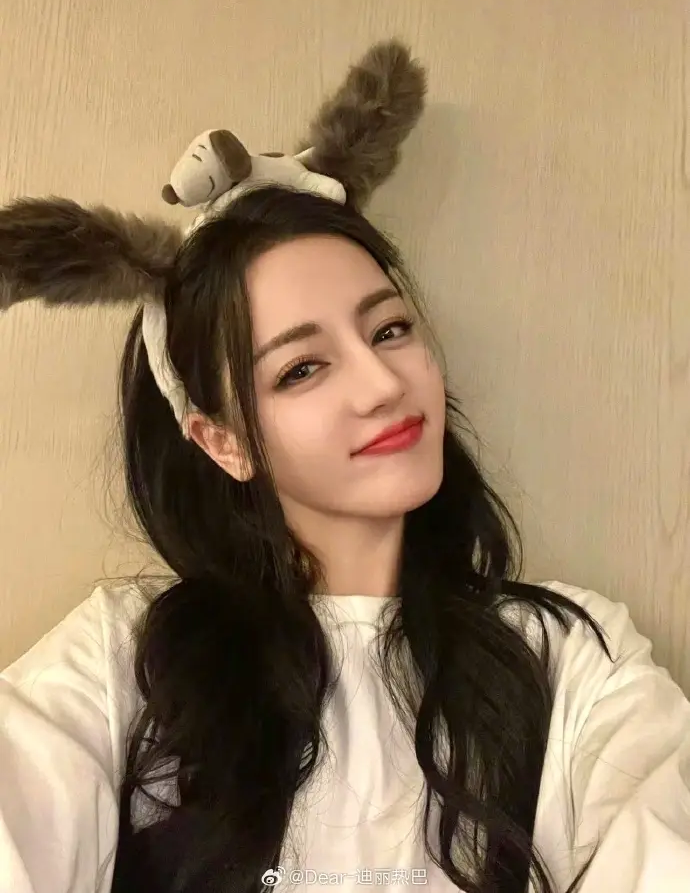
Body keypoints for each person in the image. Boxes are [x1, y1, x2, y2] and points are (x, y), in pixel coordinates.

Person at [0, 185, 689, 893]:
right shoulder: (122, 662)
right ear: (224, 442)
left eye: (389, 330)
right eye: (301, 369)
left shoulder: (571, 662)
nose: (382, 383)